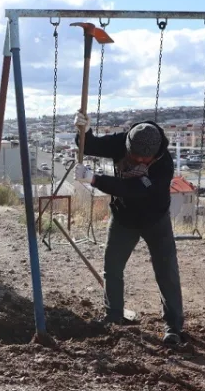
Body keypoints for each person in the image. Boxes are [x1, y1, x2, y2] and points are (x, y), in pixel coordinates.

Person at [72, 111, 186, 346]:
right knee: (112, 268)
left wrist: (95, 180)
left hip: (156, 220)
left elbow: (134, 189)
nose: (141, 162)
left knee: (167, 272)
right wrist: (83, 130)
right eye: (135, 157)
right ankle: (114, 318)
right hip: (123, 218)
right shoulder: (121, 142)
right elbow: (89, 145)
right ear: (128, 146)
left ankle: (173, 327)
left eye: (145, 160)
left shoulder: (164, 164)